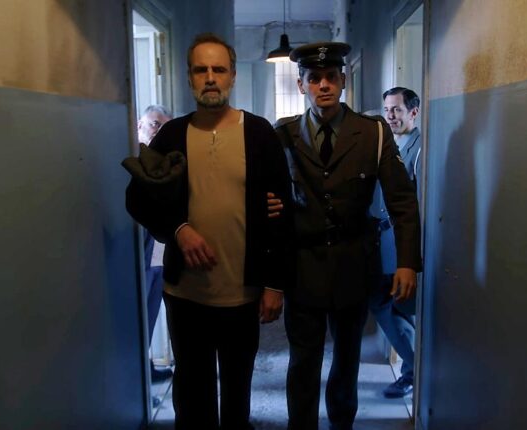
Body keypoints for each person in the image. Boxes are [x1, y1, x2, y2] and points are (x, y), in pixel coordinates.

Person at [125, 33, 292, 430]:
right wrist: (178, 229)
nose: (211, 77)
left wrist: (275, 285)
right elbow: (137, 199)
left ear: (232, 76)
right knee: (192, 395)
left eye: (219, 69)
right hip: (186, 295)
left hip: (243, 294)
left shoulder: (259, 133)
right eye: (202, 70)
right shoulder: (171, 135)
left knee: (237, 393)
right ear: (190, 78)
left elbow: (282, 213)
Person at [272, 42, 422, 430]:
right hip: (302, 268)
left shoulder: (372, 133)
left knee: (347, 361)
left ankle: (342, 424)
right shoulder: (283, 134)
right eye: (314, 78)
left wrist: (407, 262)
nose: (323, 85)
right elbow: (265, 197)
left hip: (354, 265)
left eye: (330, 77)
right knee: (302, 363)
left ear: (342, 81)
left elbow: (402, 201)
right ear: (301, 85)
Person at [368, 87, 422, 399]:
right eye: (387, 109)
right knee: (391, 307)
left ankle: (415, 370)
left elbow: (415, 205)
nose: (390, 116)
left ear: (413, 113)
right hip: (384, 242)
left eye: (397, 110)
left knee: (393, 306)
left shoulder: (418, 148)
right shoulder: (388, 143)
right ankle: (413, 370)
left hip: (400, 245)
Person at [137, 105, 174, 384]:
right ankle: (138, 368)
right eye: (154, 124)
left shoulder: (166, 163)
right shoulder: (130, 156)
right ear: (140, 124)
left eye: (164, 127)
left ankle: (145, 364)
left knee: (153, 301)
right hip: (137, 243)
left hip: (160, 245)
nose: (158, 131)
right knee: (140, 305)